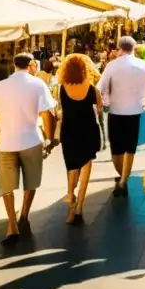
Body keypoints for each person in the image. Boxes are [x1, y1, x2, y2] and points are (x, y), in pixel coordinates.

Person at [0, 52, 57, 246]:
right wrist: (49, 138)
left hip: (7, 141)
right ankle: (24, 214)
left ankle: (12, 224)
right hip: (31, 138)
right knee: (31, 181)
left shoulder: (0, 86)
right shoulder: (38, 85)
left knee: (7, 186)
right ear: (31, 65)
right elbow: (46, 113)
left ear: (13, 65)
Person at [98, 36, 145, 197]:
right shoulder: (144, 65)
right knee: (130, 148)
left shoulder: (112, 66)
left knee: (116, 150)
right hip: (135, 112)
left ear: (119, 48)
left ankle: (122, 178)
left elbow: (99, 87)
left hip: (115, 112)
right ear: (134, 48)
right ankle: (123, 179)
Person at [56, 53, 103, 225]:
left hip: (69, 130)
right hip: (88, 130)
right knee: (85, 166)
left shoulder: (61, 88)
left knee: (72, 168)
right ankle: (79, 207)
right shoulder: (92, 89)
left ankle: (71, 202)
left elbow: (59, 109)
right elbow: (99, 109)